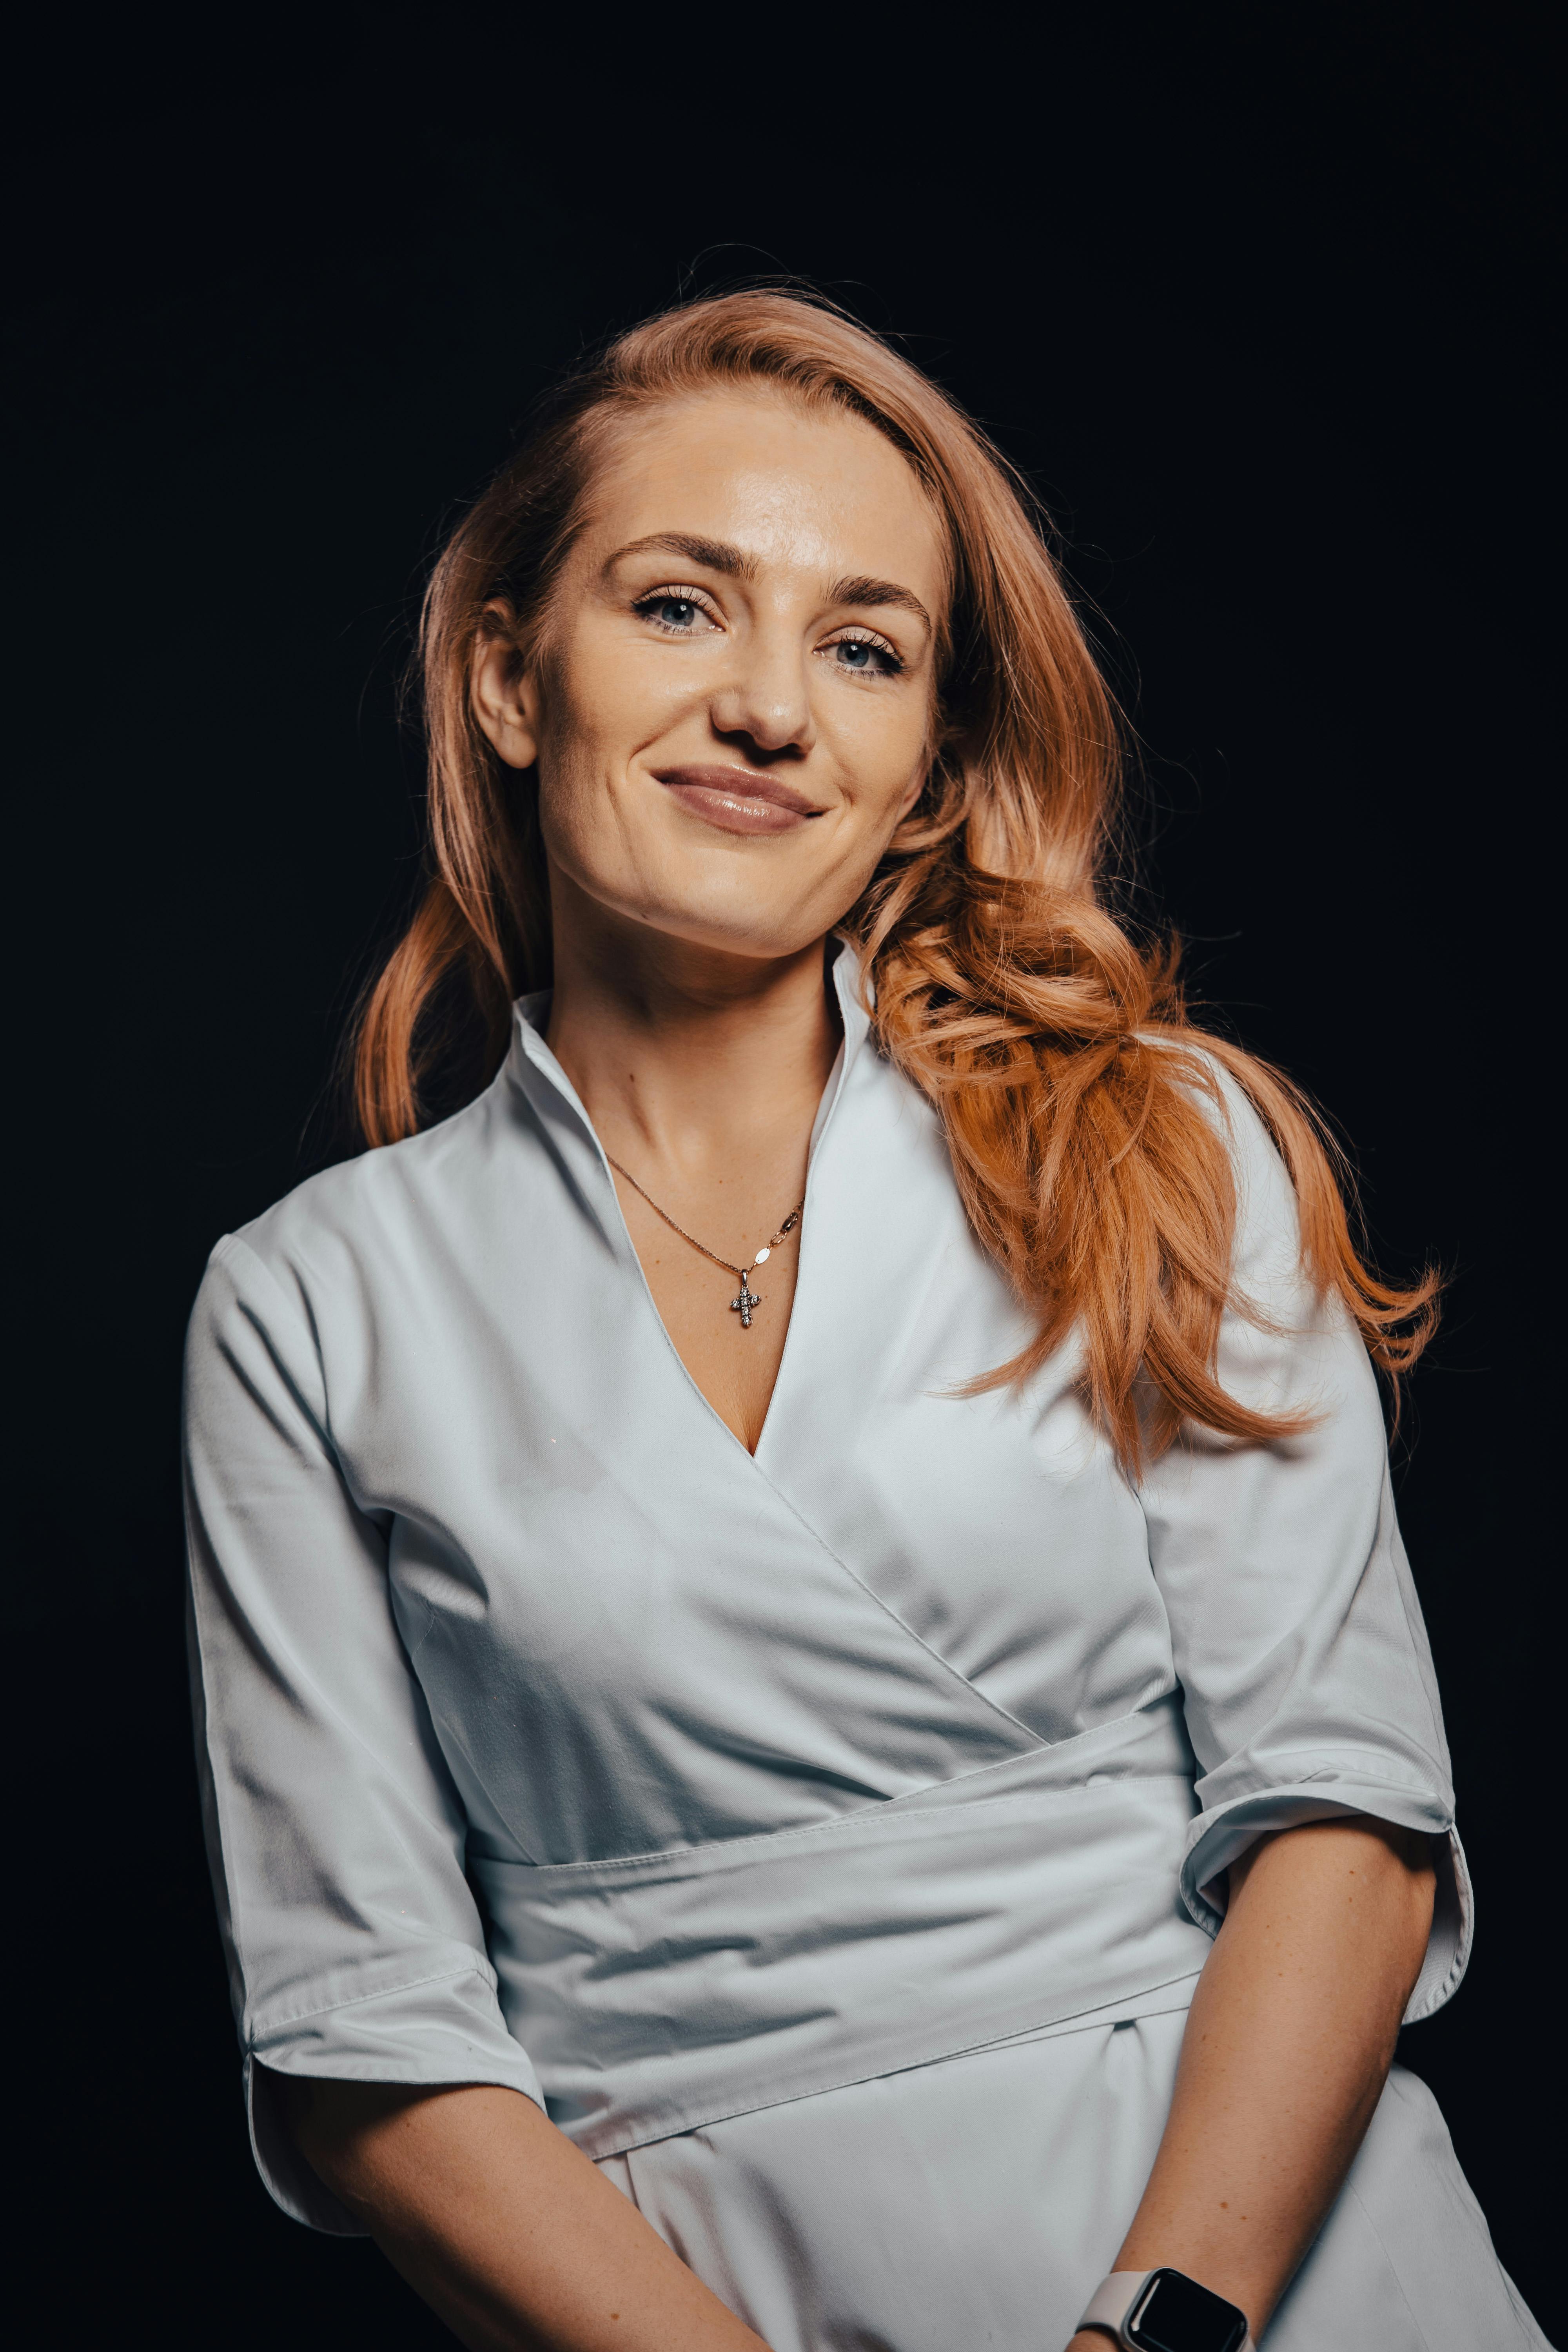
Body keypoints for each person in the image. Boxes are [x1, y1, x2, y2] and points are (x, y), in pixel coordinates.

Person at [183, 290, 1544, 2352]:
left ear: (923, 774)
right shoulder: (308, 1306)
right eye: (677, 607)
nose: (769, 708)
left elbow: (1343, 1813)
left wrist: (1153, 2337)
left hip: (1274, 2281)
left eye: (864, 647)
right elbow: (360, 2041)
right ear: (507, 677)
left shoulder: (1154, 1145)